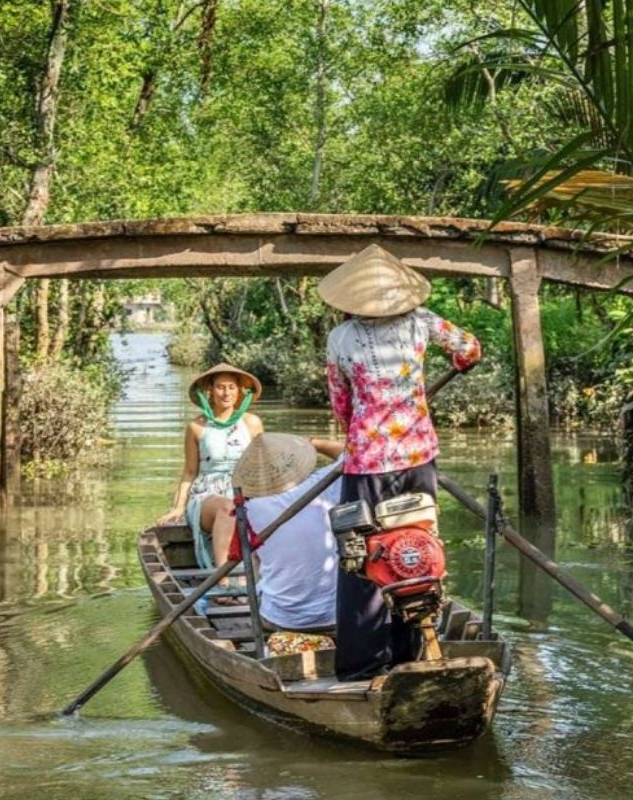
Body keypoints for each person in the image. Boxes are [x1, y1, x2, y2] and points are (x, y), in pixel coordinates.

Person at [319, 243, 481, 680]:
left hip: (366, 464)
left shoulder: (341, 339)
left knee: (362, 560)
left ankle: (360, 668)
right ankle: (409, 656)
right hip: (416, 459)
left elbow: (341, 405)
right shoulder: (423, 322)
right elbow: (470, 350)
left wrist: (363, 428)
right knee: (414, 553)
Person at [228, 433, 345, 632]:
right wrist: (314, 442)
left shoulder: (248, 507)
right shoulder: (323, 483)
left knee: (259, 566)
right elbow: (350, 454)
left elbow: (253, 561)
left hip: (281, 619)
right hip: (338, 614)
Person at [157, 363, 264, 570]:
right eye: (220, 387)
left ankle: (258, 579)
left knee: (251, 509)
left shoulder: (252, 423)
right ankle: (223, 580)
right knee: (228, 508)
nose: (226, 393)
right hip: (207, 494)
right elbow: (189, 472)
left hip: (245, 490)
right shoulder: (197, 427)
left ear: (239, 391)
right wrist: (178, 507)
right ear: (210, 391)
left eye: (231, 387)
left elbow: (261, 467)